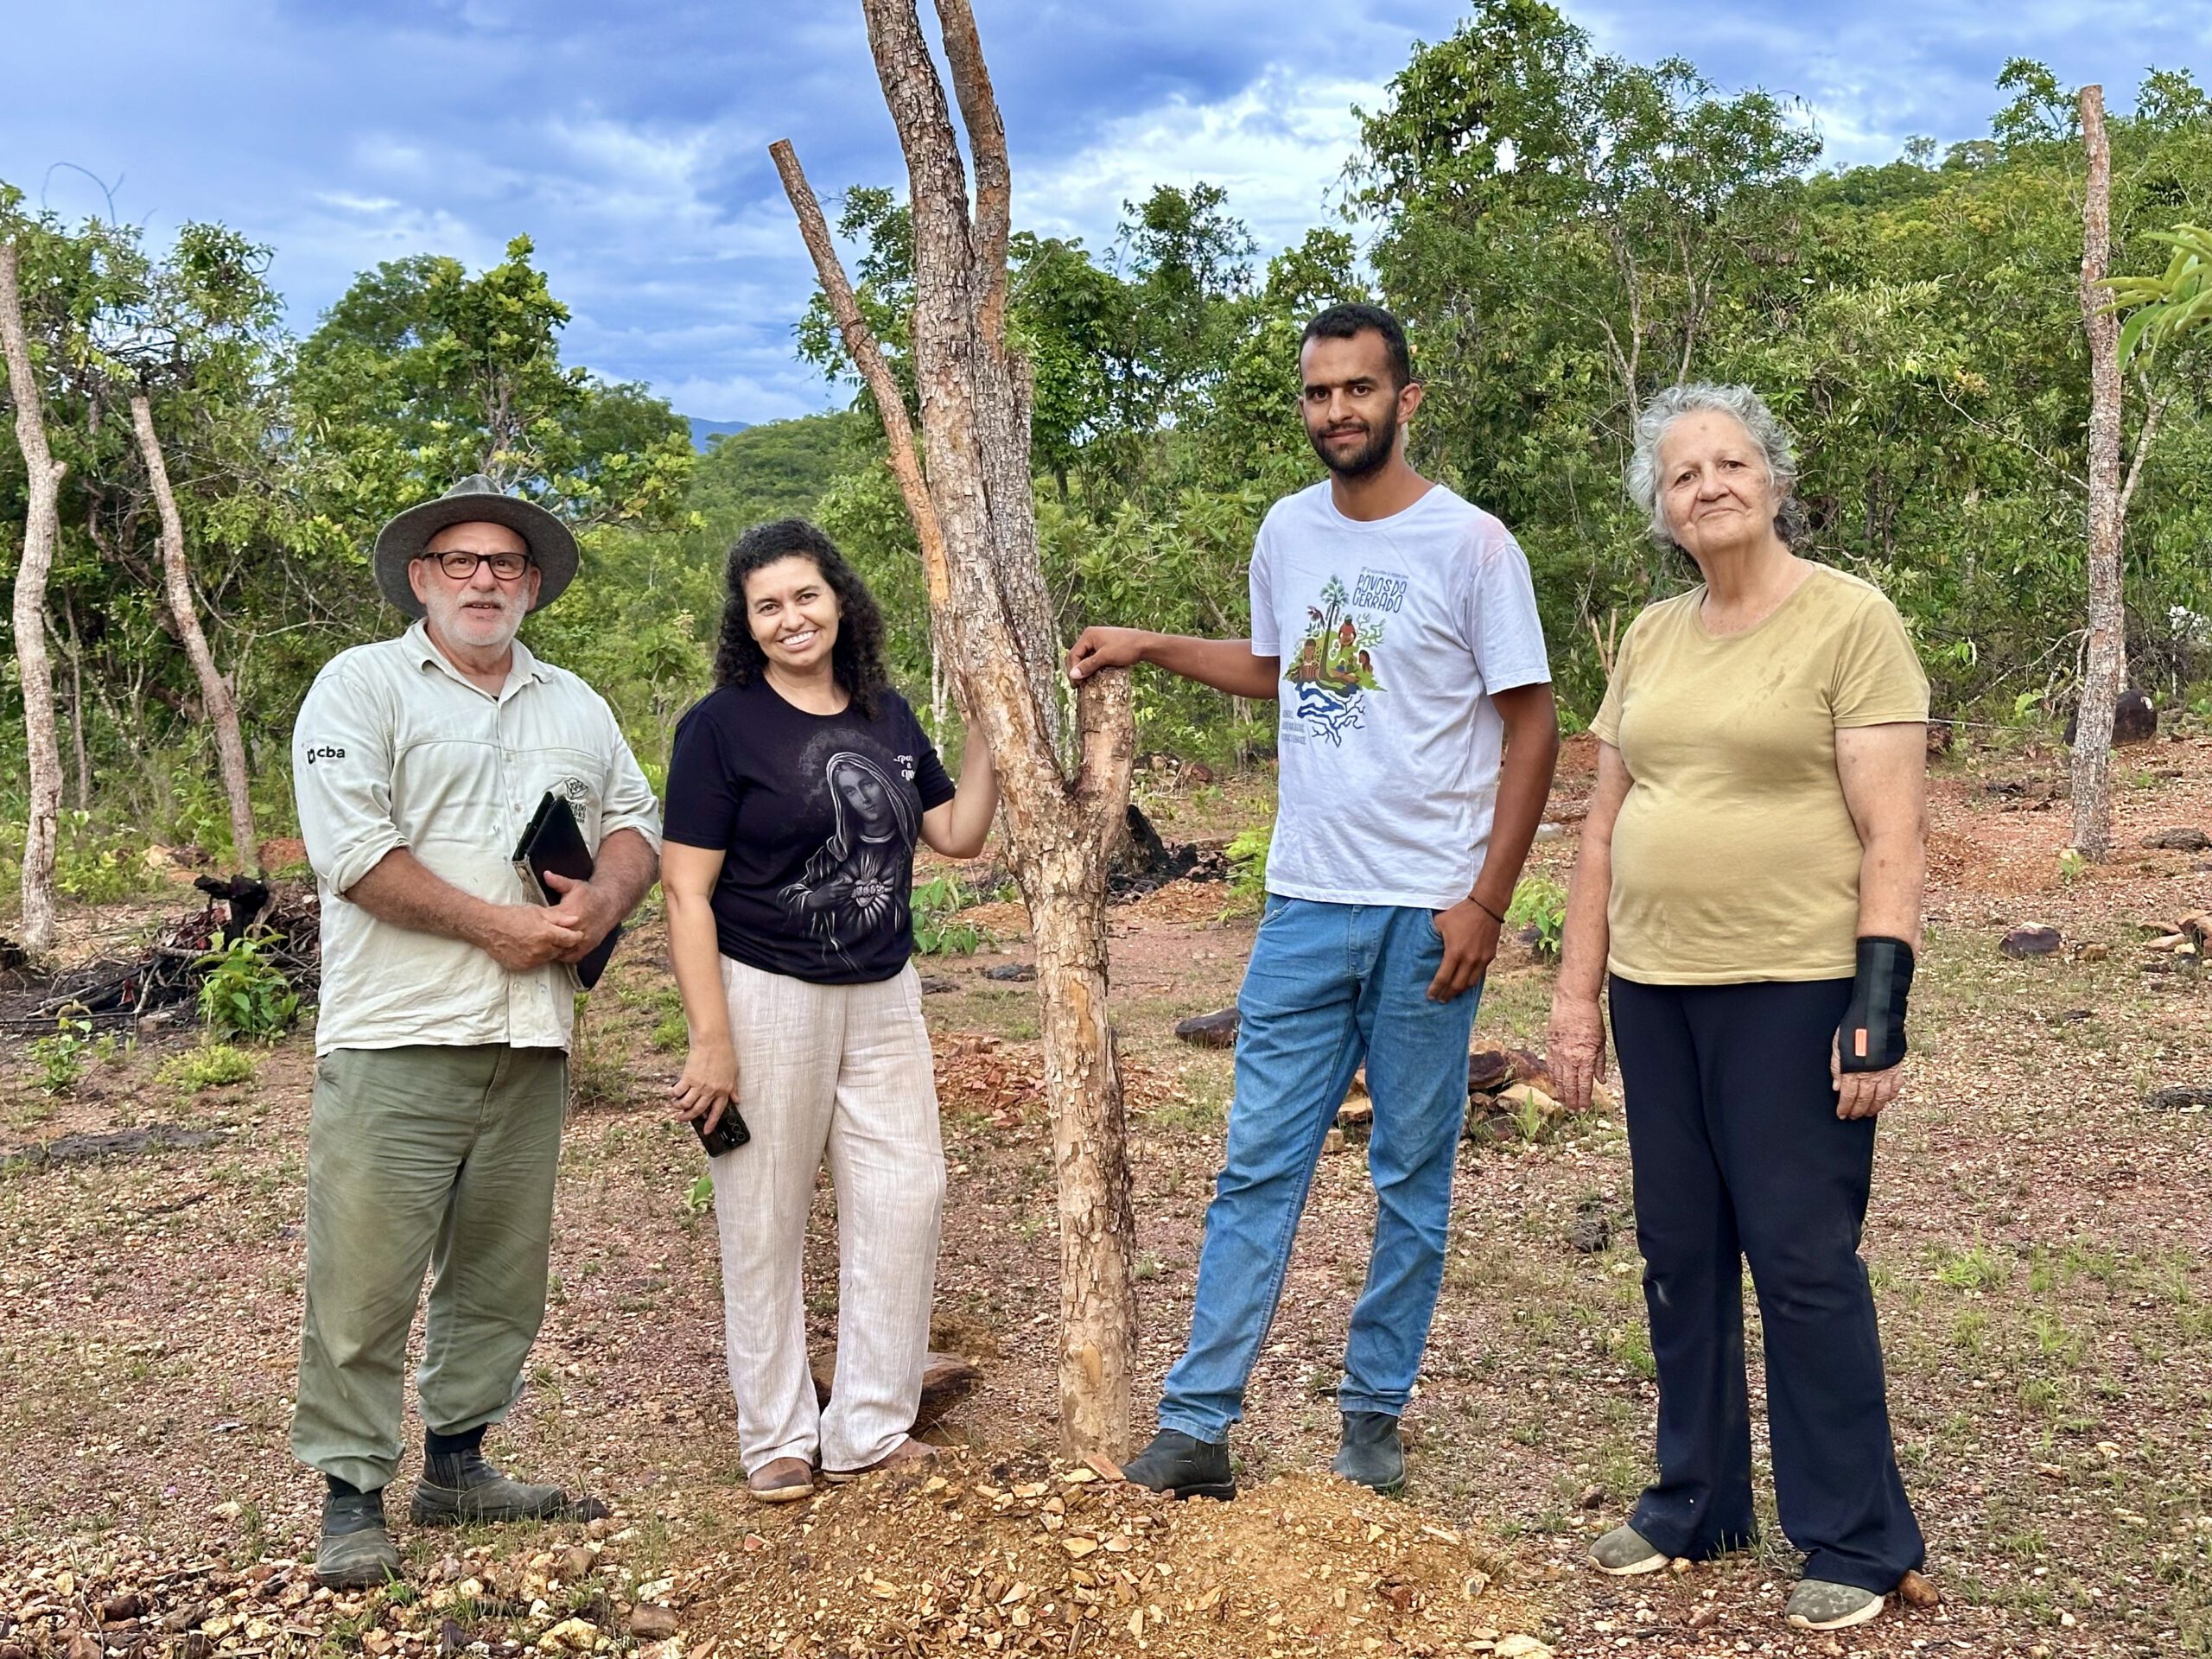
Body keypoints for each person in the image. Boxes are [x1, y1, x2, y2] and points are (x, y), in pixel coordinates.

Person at [1068, 302, 1559, 1499]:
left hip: (1428, 913)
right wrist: (1146, 642)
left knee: (1410, 1174)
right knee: (1255, 1166)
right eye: (1319, 393)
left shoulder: (1474, 546)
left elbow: (1533, 722)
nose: (1338, 410)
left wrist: (1486, 904)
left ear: (1406, 398)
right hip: (1304, 902)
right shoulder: (1289, 531)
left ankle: (1373, 1416)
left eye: (1360, 389)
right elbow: (1283, 667)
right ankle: (1198, 1426)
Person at [1545, 384, 1929, 1634]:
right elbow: (1602, 827)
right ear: (1659, 510)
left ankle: (1858, 1538)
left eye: (1729, 463)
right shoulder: (1651, 637)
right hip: (1660, 991)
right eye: (1681, 474)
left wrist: (1880, 1001)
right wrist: (1576, 995)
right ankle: (1693, 1503)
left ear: (1772, 479)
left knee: (1803, 1260)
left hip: (1794, 985)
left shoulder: (1849, 620)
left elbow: (1893, 829)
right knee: (1681, 1253)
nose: (1707, 484)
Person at [290, 475, 662, 1588]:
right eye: (460, 561)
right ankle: (351, 1495)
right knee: (364, 1278)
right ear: (421, 578)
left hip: (531, 1037)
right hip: (398, 1033)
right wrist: (491, 926)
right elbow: (351, 853)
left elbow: (635, 821)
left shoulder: (576, 706)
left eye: (504, 563)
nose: (483, 580)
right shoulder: (360, 688)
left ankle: (459, 1467)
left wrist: (602, 901)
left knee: (501, 1274)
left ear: (532, 584)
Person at [660, 518, 998, 1505]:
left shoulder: (887, 714)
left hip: (884, 994)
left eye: (804, 596)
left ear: (839, 599)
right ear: (747, 624)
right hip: (766, 990)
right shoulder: (720, 726)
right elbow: (685, 894)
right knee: (762, 1216)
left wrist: (989, 724)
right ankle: (774, 1434)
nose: (790, 618)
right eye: (767, 606)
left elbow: (957, 834)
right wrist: (711, 1038)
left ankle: (868, 1426)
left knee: (908, 1194)